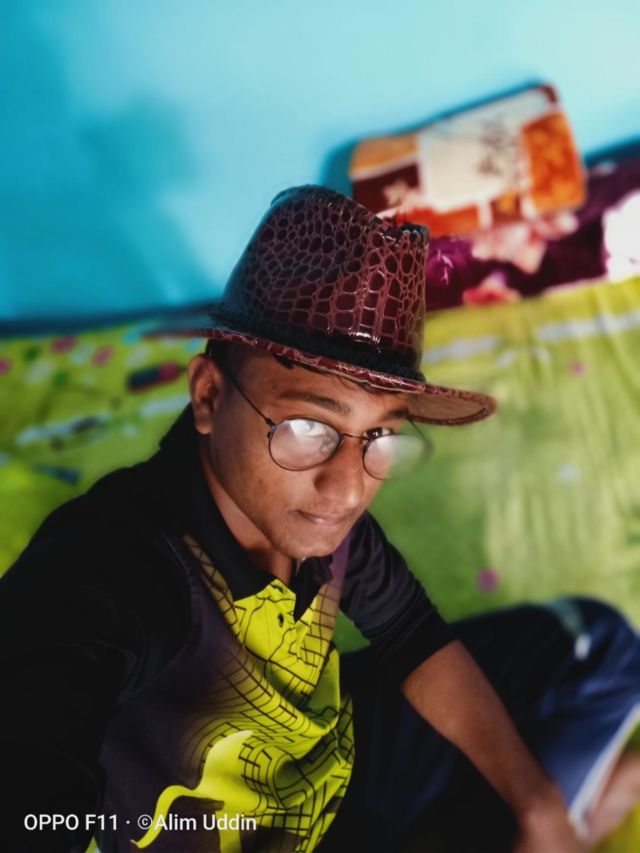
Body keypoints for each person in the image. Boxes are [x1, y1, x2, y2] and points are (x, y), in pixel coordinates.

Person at [1, 185, 640, 853]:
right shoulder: (112, 569)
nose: (348, 488)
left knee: (600, 646)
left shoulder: (320, 519)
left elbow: (413, 636)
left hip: (334, 764)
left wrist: (538, 806)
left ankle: (561, 811)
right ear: (208, 396)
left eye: (380, 435)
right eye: (309, 426)